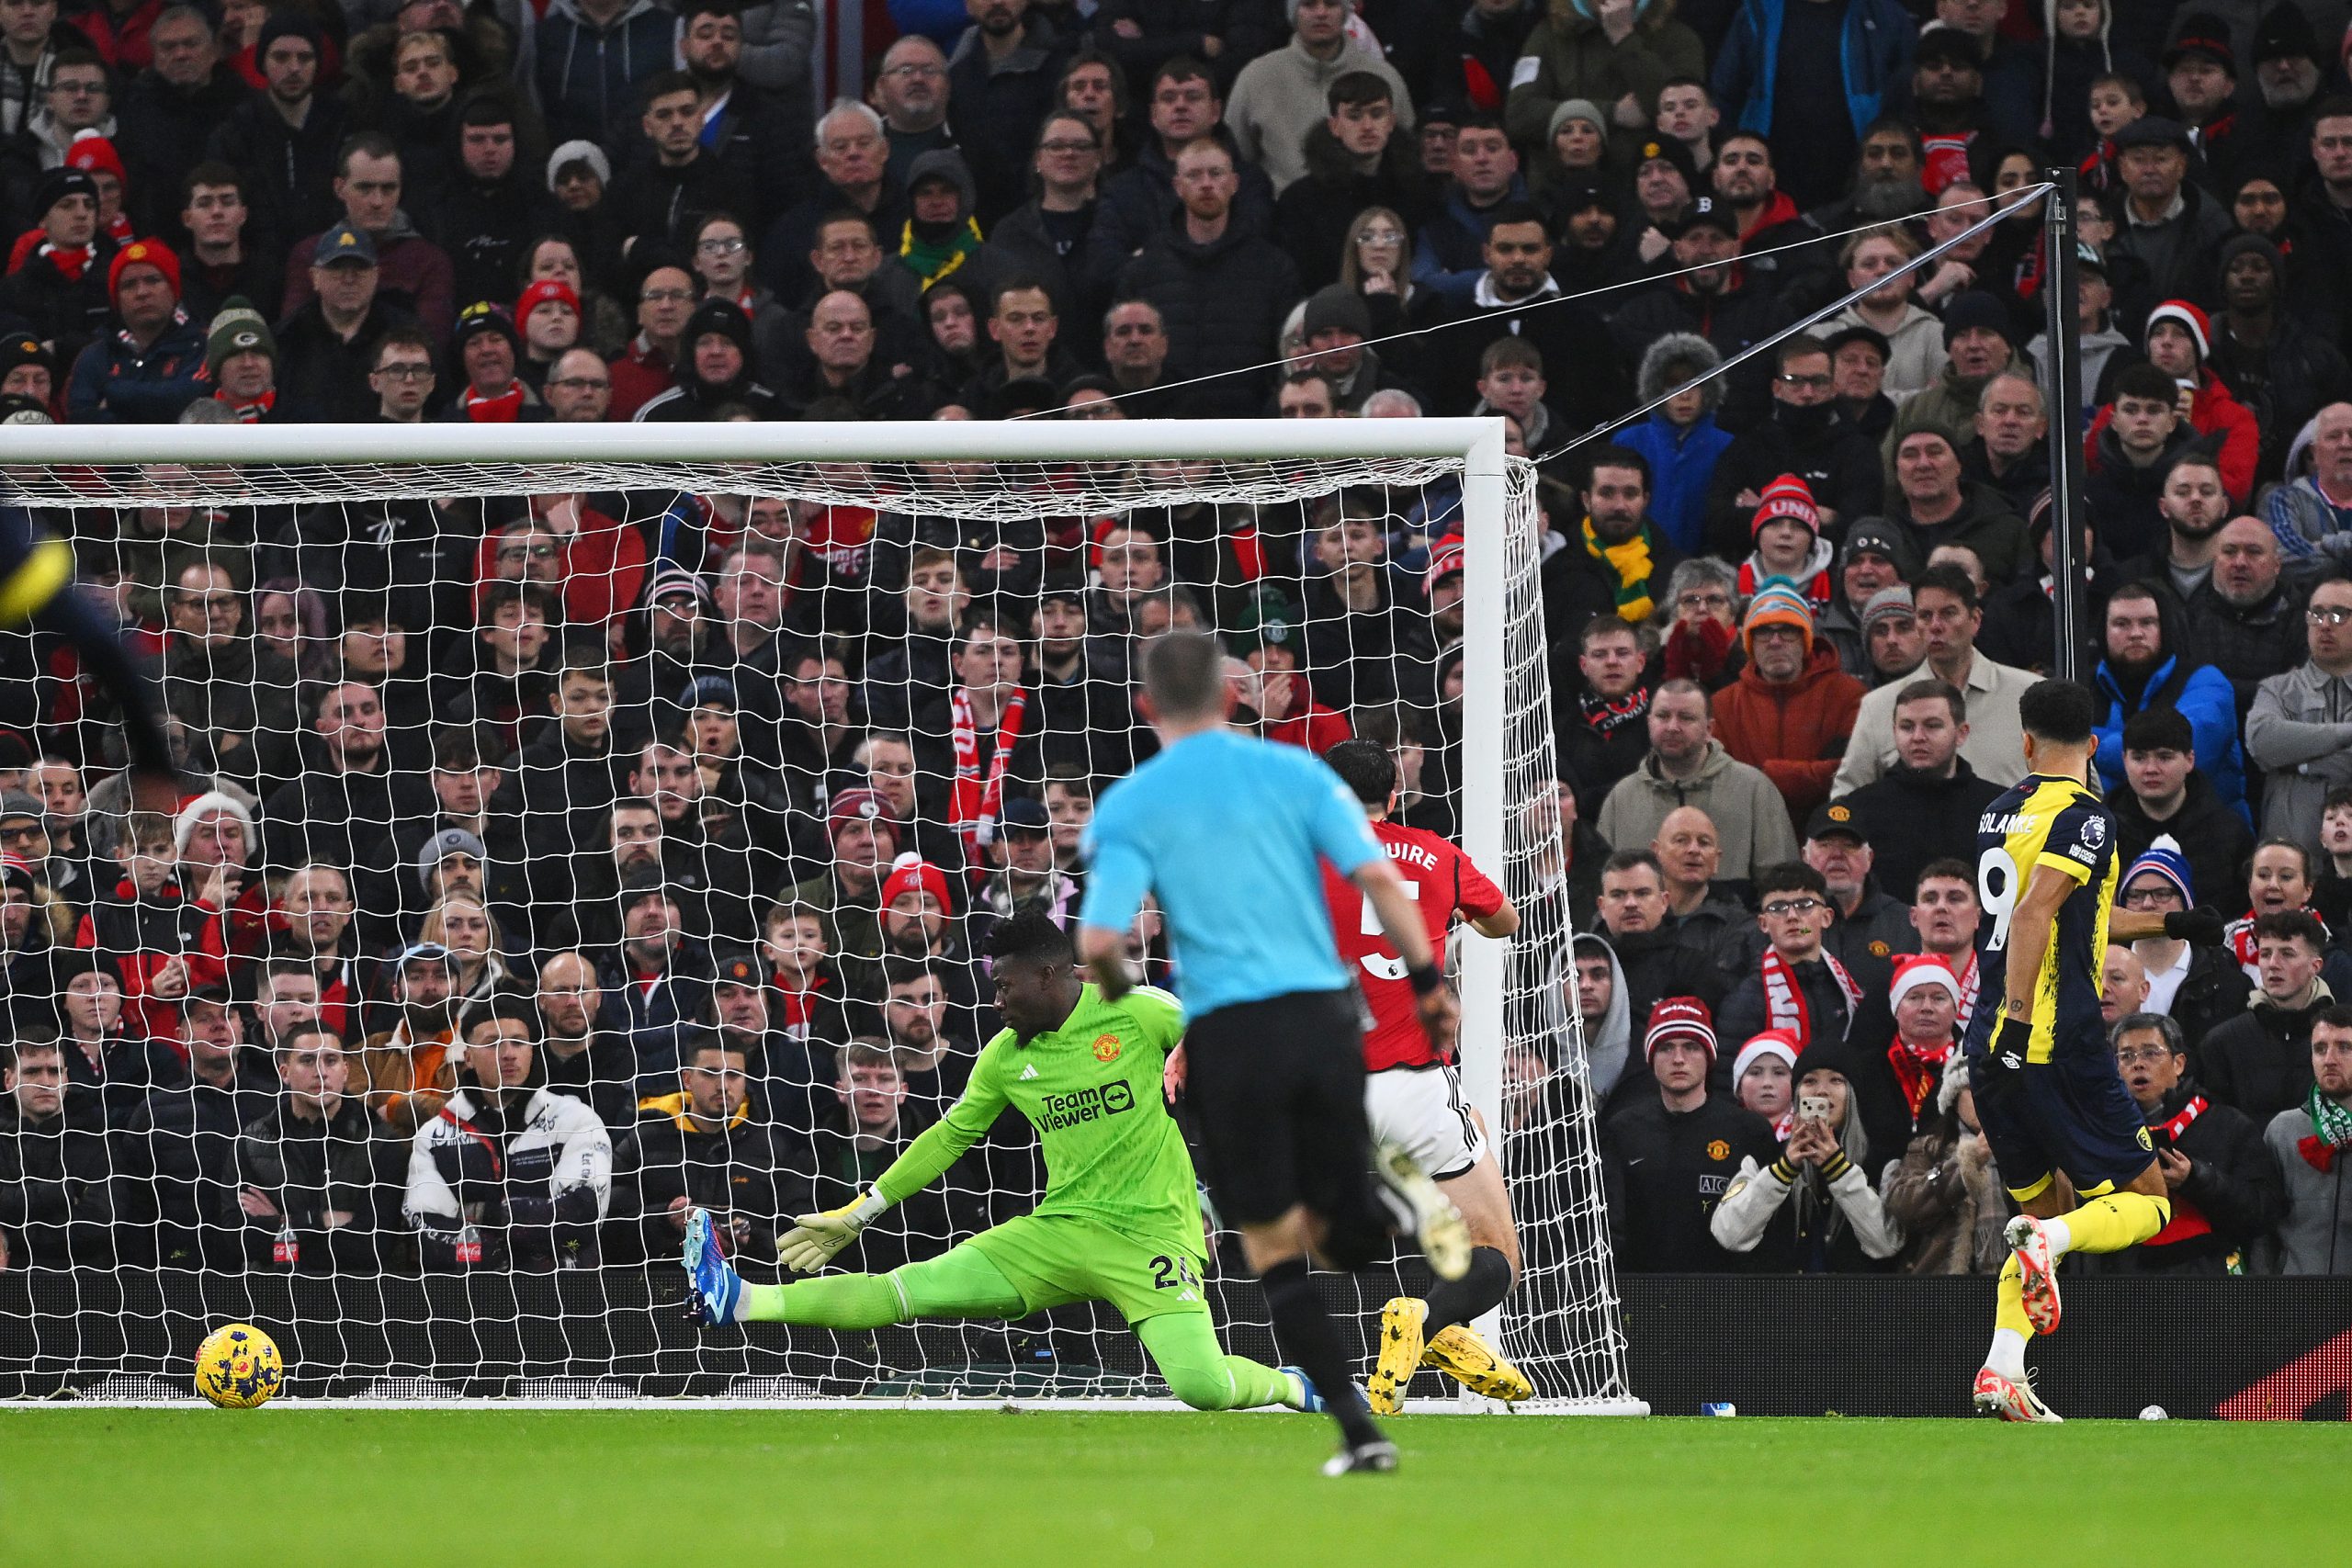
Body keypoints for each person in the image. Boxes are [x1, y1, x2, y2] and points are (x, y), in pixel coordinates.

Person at [1069, 630, 1467, 1474]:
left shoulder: (1135, 801)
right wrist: (1431, 982)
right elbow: (1382, 884)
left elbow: (1100, 935)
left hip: (1231, 1033)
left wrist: (1113, 982)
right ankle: (1394, 1202)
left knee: (1277, 1247)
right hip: (1326, 1017)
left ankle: (1363, 1437)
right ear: (1232, 698)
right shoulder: (1299, 774)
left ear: (1147, 705)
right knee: (1347, 1236)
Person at [683, 911, 1324, 1421]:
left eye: (1003, 985)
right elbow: (949, 1137)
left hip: (1154, 1233)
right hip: (1056, 1231)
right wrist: (860, 1211)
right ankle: (738, 1298)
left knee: (1203, 1385)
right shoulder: (1003, 1056)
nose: (995, 1000)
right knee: (906, 1289)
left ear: (1049, 974)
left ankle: (1294, 1385)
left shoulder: (1134, 1009)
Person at [1964, 680, 2224, 1423]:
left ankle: (2003, 1367)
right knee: (2146, 1202)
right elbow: (2036, 911)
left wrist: (2167, 919)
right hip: (2052, 1041)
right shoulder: (2087, 815)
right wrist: (2022, 1020)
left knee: (2036, 1212)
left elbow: (2077, 912)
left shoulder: (1998, 810)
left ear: (2024, 742)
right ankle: (2047, 1239)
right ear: (2095, 747)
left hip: (1989, 1048)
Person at [1318, 739, 1527, 1414]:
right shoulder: (1436, 853)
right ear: (1397, 795)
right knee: (1495, 1250)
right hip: (1414, 1083)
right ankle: (1427, 1323)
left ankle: (1439, 1337)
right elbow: (1505, 921)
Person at [404, 994, 613, 1272]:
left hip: (563, 1297)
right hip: (468, 1298)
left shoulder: (576, 1120)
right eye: (492, 1043)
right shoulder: (435, 1136)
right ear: (468, 1057)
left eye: (519, 1042)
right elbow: (429, 1240)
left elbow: (579, 1221)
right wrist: (499, 1254)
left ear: (532, 1051)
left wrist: (480, 1213)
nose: (509, 1053)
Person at [2086, 1011, 2283, 1275]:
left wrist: (2196, 1178)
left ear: (2178, 1063)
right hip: (2123, 1281)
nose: (2138, 1064)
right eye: (2126, 1056)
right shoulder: (2099, 1133)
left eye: (2150, 1053)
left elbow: (2264, 1209)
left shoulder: (2227, 1125)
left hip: (2207, 1283)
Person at [1599, 997, 1777, 1271]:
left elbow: (1770, 1226)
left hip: (1727, 1296)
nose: (1678, 1059)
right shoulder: (1623, 1129)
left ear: (1709, 1056)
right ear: (1651, 1058)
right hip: (1641, 1294)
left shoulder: (1749, 1132)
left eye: (1691, 1047)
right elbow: (1610, 1229)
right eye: (1666, 1048)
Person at [1709, 1038, 1905, 1272]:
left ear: (1853, 1093)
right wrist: (1783, 1172)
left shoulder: (1883, 1161)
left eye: (1836, 1080)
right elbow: (1729, 1234)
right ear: (1797, 1094)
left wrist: (1838, 1170)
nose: (1822, 1090)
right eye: (1810, 1081)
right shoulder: (1763, 1155)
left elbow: (1886, 1244)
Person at [1597, 678, 1799, 884]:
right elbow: (1602, 884)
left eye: (1686, 718)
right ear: (1649, 723)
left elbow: (1780, 883)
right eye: (1663, 716)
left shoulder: (1754, 789)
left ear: (1709, 729)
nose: (1672, 727)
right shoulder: (1621, 798)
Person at [2245, 572, 2352, 856]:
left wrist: (2299, 763)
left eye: (2340, 614)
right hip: (2291, 861)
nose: (2326, 625)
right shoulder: (2277, 689)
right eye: (2317, 614)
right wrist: (2346, 733)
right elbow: (2262, 741)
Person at [2201, 909, 2334, 1122]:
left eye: (2287, 954)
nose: (2273, 964)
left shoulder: (2344, 1037)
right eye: (2265, 954)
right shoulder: (2222, 1043)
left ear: (2315, 966)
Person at [2265, 1007, 2352, 1274]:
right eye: (2320, 1049)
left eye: (2344, 1048)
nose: (2330, 1059)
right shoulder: (2283, 1130)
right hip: (2300, 1299)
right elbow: (2262, 1227)